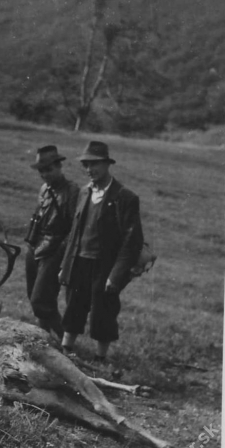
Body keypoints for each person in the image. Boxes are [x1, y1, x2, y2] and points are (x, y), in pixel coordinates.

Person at [59, 141, 144, 362]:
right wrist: (65, 266)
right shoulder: (84, 192)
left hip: (105, 264)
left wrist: (116, 274)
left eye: (94, 164)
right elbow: (75, 232)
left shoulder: (125, 197)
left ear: (107, 164)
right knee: (74, 304)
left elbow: (132, 241)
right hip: (80, 260)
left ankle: (100, 357)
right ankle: (66, 348)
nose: (90, 169)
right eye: (86, 165)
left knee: (103, 309)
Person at [25, 145, 80, 347]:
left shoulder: (72, 191)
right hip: (37, 245)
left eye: (48, 169)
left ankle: (66, 343)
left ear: (59, 167)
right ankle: (44, 339)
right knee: (35, 297)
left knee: (40, 300)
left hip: (56, 248)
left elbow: (75, 228)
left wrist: (63, 255)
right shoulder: (44, 189)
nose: (45, 174)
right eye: (41, 171)